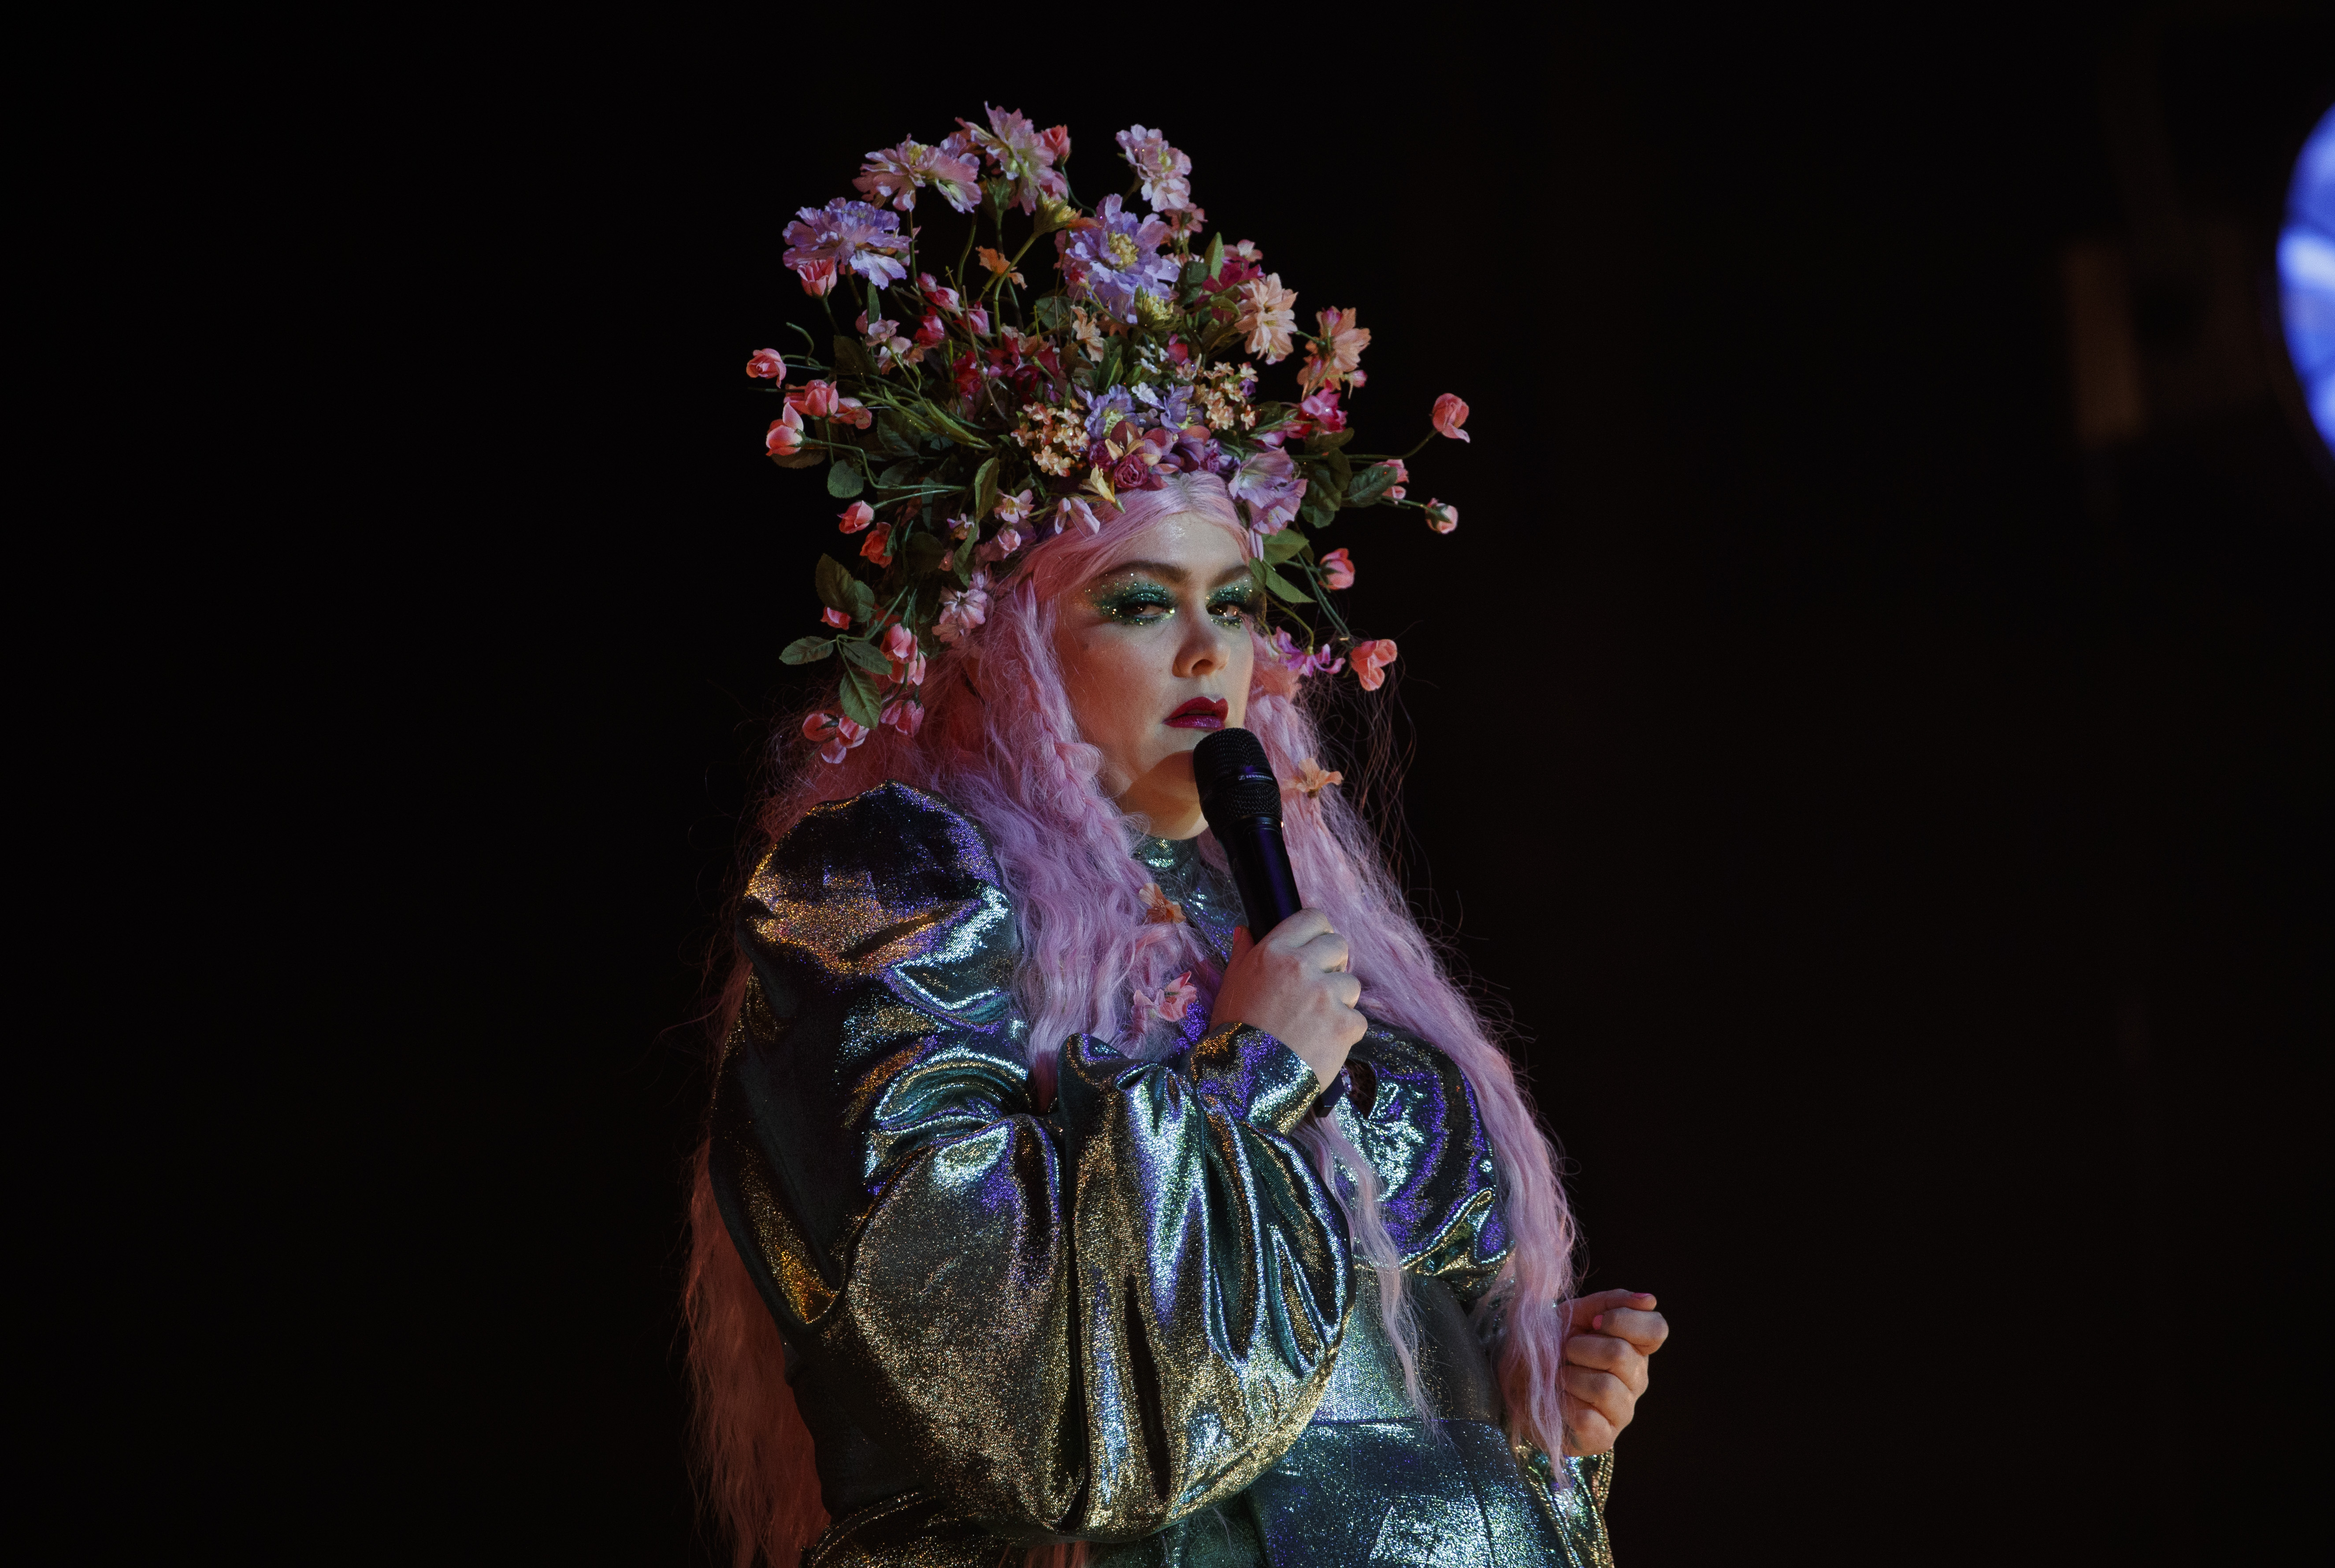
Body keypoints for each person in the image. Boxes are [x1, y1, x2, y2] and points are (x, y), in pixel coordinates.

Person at [686, 112, 1667, 1568]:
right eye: (1141, 603)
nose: (1215, 655)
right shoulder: (893, 892)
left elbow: (1393, 1371)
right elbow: (1007, 1394)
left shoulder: (1281, 922)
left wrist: (1531, 1405)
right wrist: (1249, 1074)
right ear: (1005, 650)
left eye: (1236, 601)